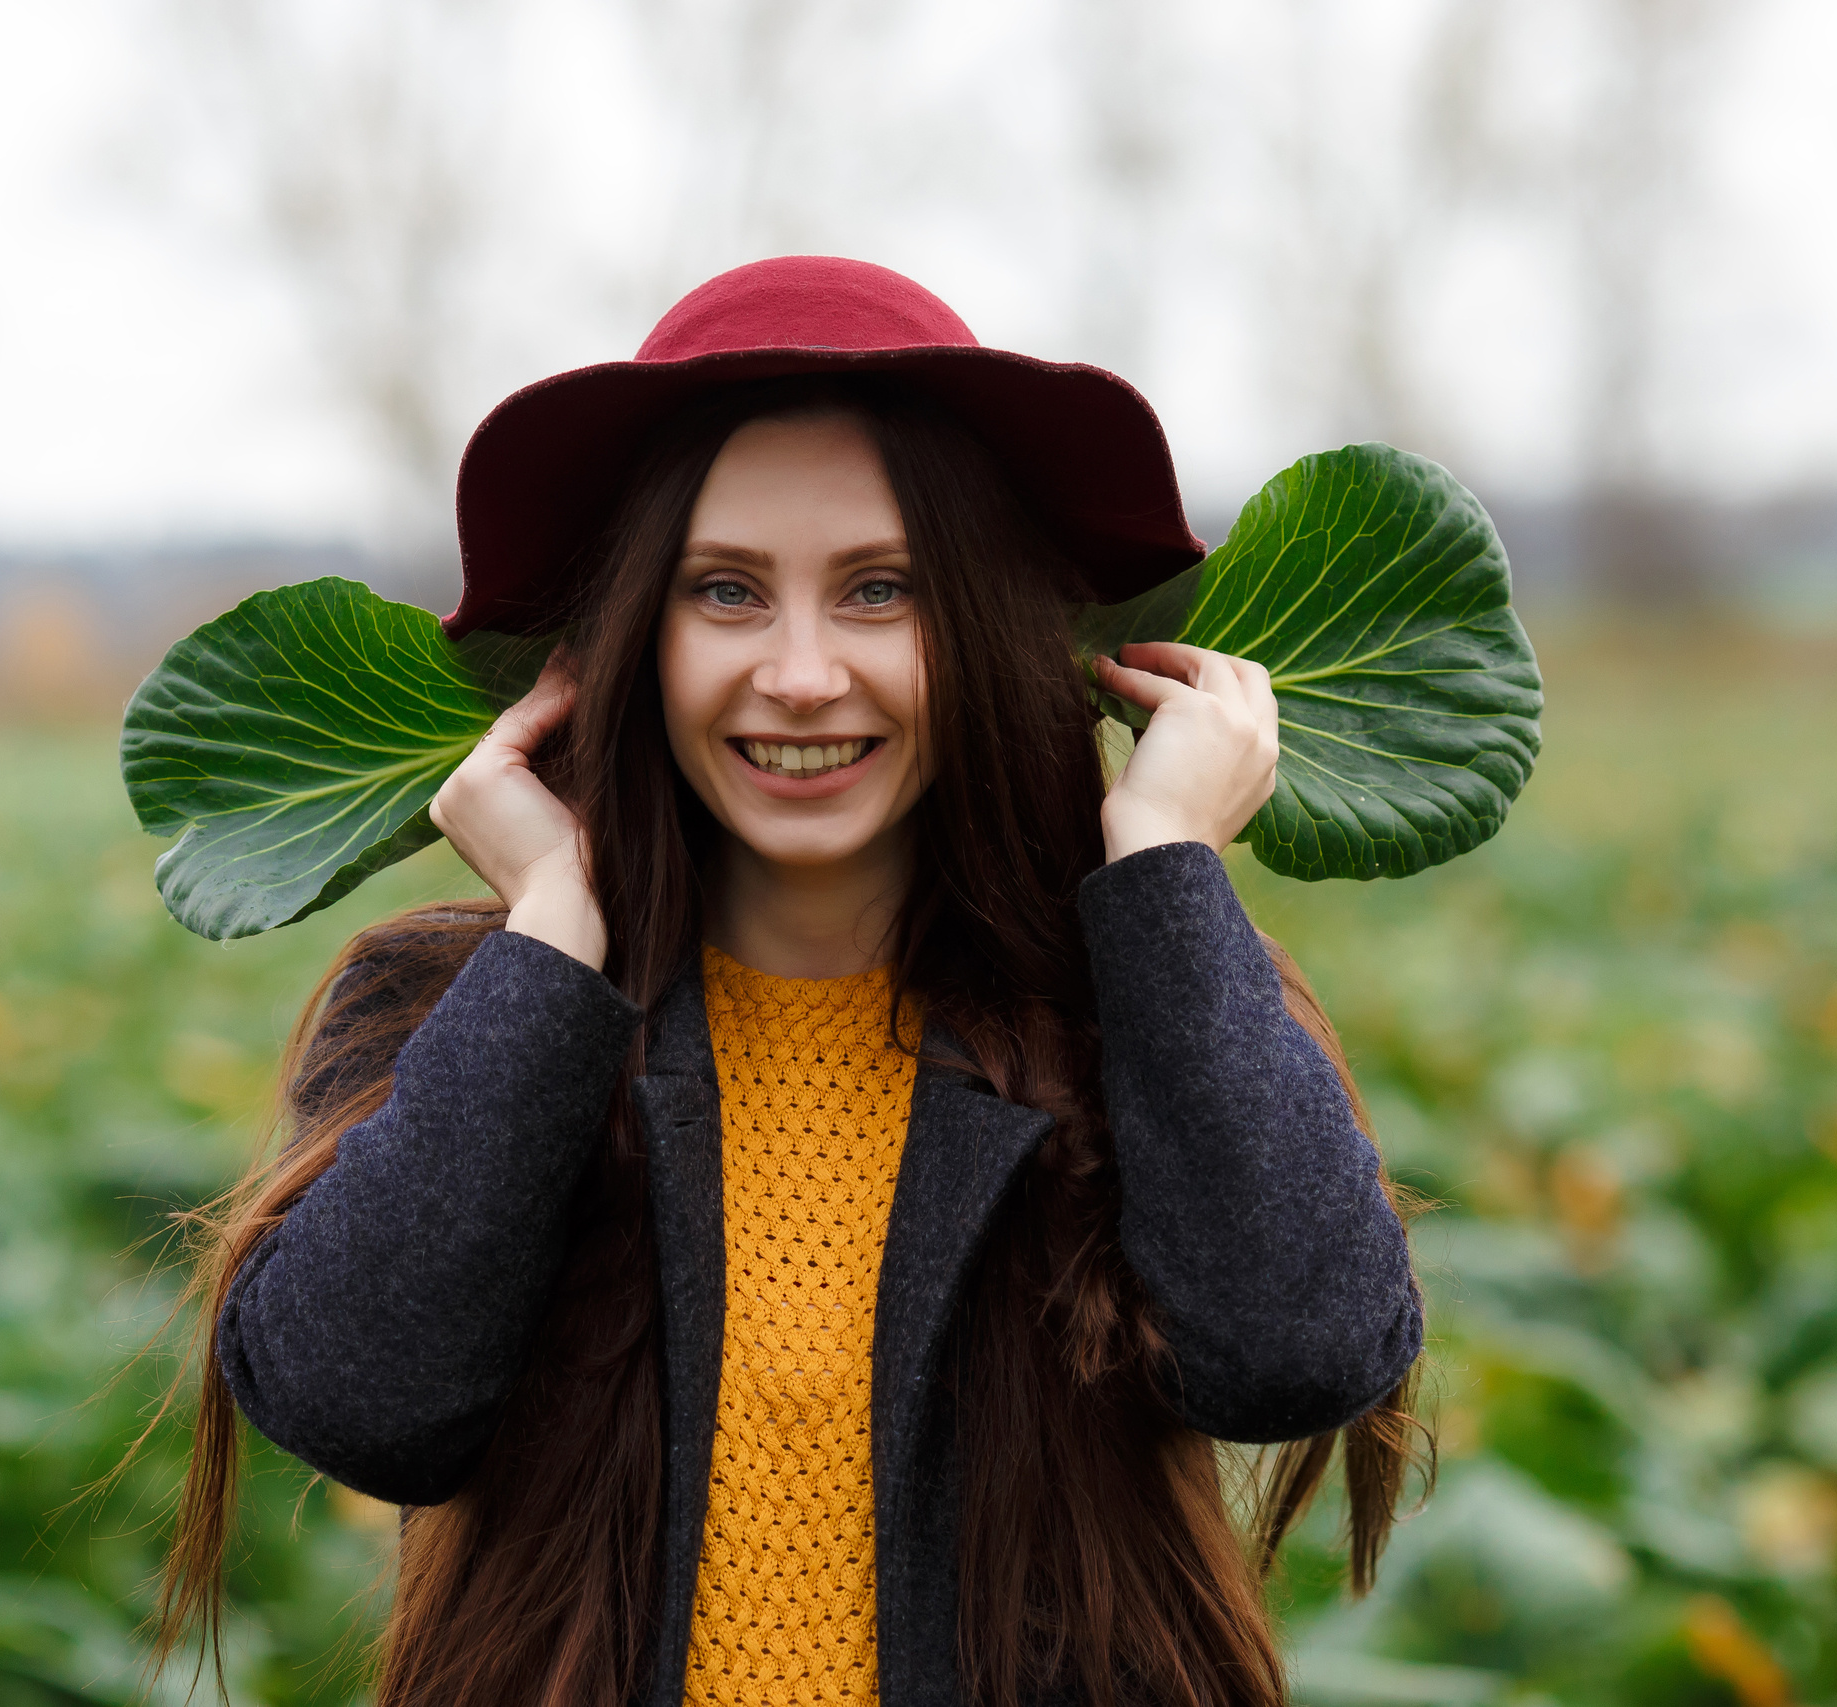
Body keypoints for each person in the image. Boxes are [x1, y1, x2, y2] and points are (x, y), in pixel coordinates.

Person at [151, 256, 1426, 1707]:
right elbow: (356, 1403)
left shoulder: (1146, 996)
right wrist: (554, 934)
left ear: (987, 628)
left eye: (882, 590)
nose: (804, 675)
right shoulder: (461, 1000)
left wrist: (1166, 873)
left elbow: (1301, 1354)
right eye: (727, 592)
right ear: (630, 640)